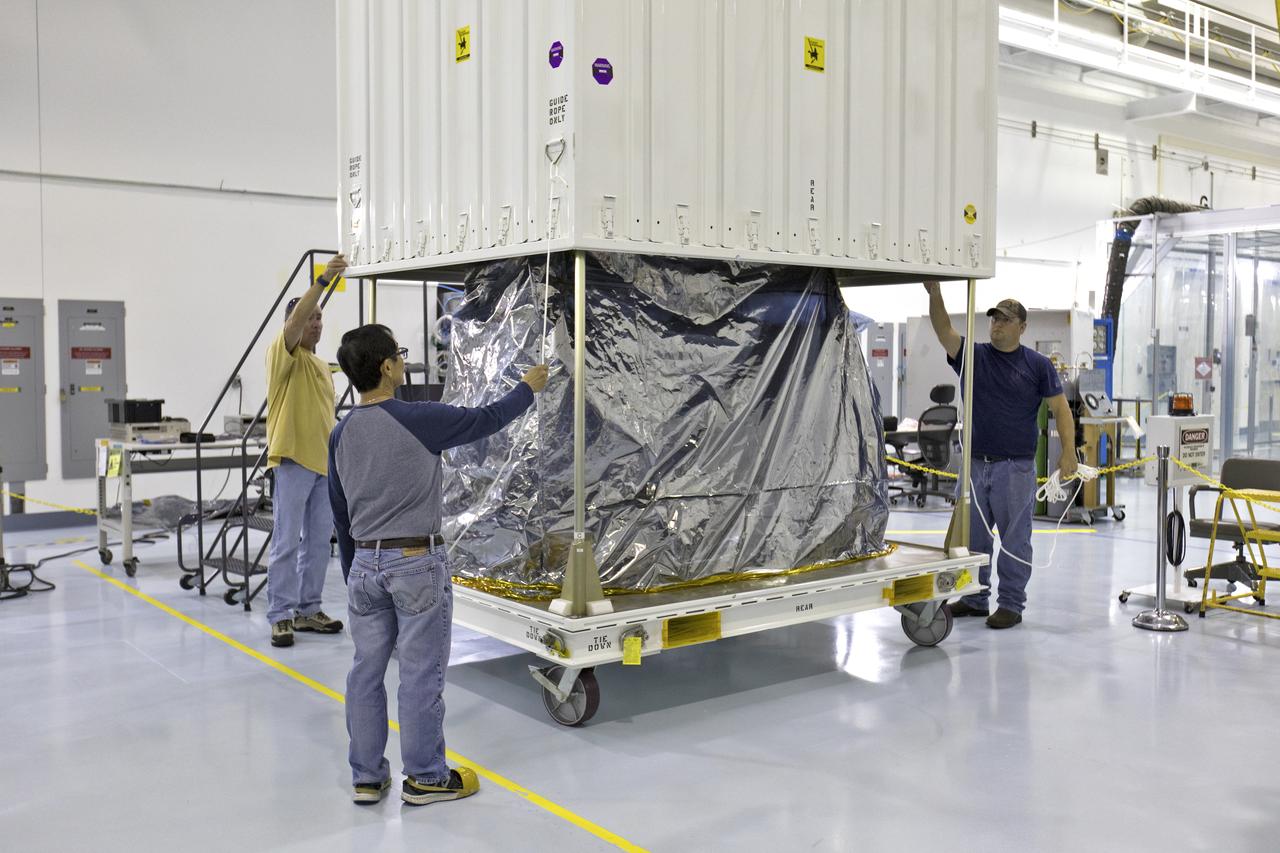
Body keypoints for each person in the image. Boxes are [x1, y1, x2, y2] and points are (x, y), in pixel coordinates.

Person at [327, 323, 549, 806]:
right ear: (386, 367)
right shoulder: (418, 418)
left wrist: (354, 570)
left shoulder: (341, 433)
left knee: (365, 671)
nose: (403, 362)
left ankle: (366, 776)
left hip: (365, 564)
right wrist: (527, 390)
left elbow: (340, 513)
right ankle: (426, 777)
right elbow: (484, 420)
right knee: (420, 673)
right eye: (400, 355)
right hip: (414, 563)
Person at [923, 282, 1077, 629]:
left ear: (1022, 328)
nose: (997, 325)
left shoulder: (1037, 365)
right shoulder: (973, 356)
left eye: (1006, 320)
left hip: (1015, 467)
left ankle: (1010, 603)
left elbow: (1061, 409)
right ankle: (976, 597)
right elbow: (944, 330)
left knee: (1014, 538)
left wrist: (1068, 451)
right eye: (994, 319)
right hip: (975, 465)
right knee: (973, 538)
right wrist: (934, 294)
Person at [264, 254, 349, 648]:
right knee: (286, 540)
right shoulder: (284, 355)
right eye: (309, 317)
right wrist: (322, 282)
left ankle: (307, 609)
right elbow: (295, 323)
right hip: (293, 461)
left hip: (324, 467)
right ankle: (280, 615)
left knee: (317, 542)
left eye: (320, 318)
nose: (315, 322)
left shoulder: (320, 366)